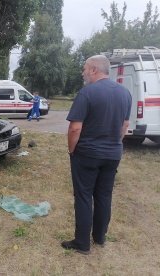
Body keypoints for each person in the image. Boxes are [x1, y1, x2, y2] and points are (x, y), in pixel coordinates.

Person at [61, 55, 131, 254]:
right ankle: (99, 238)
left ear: (93, 69)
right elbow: (124, 125)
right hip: (113, 154)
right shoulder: (125, 93)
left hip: (87, 154)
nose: (83, 72)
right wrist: (113, 143)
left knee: (83, 196)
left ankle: (82, 243)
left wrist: (72, 150)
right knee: (104, 195)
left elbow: (75, 128)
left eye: (85, 68)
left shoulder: (87, 93)